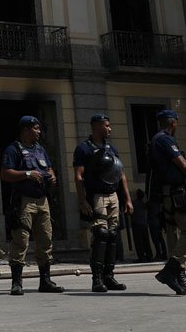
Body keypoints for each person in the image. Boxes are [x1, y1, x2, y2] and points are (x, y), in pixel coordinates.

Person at [0, 115, 64, 295]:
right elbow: (5, 174)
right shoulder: (13, 149)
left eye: (39, 128)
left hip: (42, 200)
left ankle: (45, 280)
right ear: (26, 130)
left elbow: (49, 167)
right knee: (20, 240)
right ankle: (17, 282)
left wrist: (52, 176)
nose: (39, 132)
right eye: (36, 128)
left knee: (46, 240)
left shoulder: (40, 149)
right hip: (23, 201)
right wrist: (27, 174)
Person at [74, 113, 133, 292]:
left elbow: (121, 173)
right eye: (107, 125)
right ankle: (97, 279)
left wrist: (127, 199)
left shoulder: (112, 149)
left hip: (113, 194)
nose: (110, 129)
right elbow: (79, 176)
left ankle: (109, 276)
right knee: (100, 234)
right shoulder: (84, 149)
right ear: (97, 126)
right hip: (96, 195)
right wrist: (83, 200)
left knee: (113, 234)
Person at [148, 108, 186, 295]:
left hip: (168, 194)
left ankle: (181, 277)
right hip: (177, 194)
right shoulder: (164, 139)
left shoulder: (158, 140)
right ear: (173, 123)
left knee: (175, 236)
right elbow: (182, 164)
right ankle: (170, 270)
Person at [131, 189, 154, 261]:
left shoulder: (133, 203)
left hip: (136, 224)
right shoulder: (144, 204)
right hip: (143, 224)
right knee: (146, 241)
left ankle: (141, 256)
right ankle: (149, 256)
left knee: (138, 242)